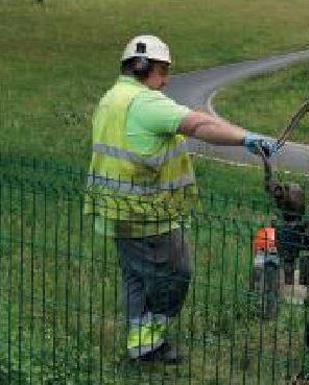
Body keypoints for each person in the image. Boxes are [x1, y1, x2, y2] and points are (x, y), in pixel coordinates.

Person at [84, 35, 273, 362]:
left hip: (114, 209)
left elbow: (196, 116)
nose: (166, 79)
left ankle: (140, 341)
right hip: (147, 213)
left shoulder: (112, 98)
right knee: (176, 275)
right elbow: (198, 124)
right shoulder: (144, 103)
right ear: (142, 66)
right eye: (161, 70)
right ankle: (150, 342)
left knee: (136, 279)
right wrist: (245, 139)